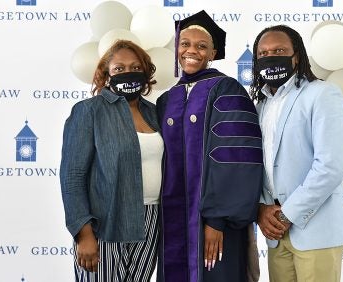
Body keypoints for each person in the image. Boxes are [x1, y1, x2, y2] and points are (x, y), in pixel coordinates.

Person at [250, 25, 343, 282]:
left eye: (279, 50)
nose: (270, 57)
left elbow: (330, 166)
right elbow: (258, 166)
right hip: (276, 233)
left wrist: (287, 213)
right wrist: (261, 209)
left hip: (316, 228)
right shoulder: (260, 106)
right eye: (263, 53)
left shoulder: (322, 93)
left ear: (297, 56)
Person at [156, 10, 263, 282]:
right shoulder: (167, 99)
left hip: (216, 223)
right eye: (185, 44)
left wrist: (217, 220)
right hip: (174, 222)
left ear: (213, 53)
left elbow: (235, 158)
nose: (192, 50)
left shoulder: (227, 90)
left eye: (201, 46)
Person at [60, 39, 162, 282]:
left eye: (135, 68)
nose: (128, 73)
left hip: (152, 219)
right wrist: (83, 234)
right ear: (106, 75)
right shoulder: (89, 111)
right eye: (119, 69)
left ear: (146, 72)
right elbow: (72, 176)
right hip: (105, 222)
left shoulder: (155, 112)